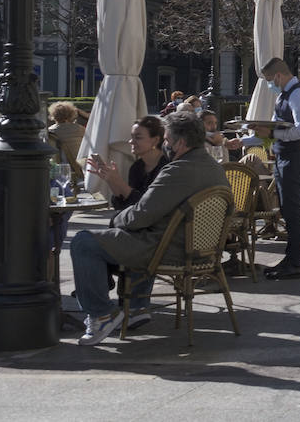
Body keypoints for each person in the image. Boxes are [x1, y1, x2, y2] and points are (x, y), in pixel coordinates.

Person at [68, 112, 229, 345]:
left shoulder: (176, 171)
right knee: (114, 237)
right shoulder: (214, 168)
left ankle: (102, 313)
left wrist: (115, 221)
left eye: (168, 140)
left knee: (84, 241)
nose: (166, 145)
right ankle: (135, 307)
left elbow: (141, 215)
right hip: (200, 248)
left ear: (181, 143)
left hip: (166, 247)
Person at [261, 57, 300, 280]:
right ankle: (290, 259)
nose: (269, 84)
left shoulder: (299, 95)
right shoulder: (283, 95)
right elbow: (273, 126)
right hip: (285, 157)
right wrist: (246, 140)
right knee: (288, 210)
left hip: (295, 158)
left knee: (292, 212)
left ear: (279, 76)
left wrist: (272, 134)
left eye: (269, 80)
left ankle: (294, 263)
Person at [89, 116, 170, 209]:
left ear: (155, 140)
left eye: (138, 137)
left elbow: (146, 206)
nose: (131, 141)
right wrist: (111, 180)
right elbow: (122, 205)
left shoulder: (167, 167)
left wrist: (119, 181)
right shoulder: (137, 167)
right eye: (132, 137)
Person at [48, 101, 86, 182]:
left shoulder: (51, 131)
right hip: (80, 167)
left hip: (61, 168)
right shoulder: (80, 129)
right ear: (71, 114)